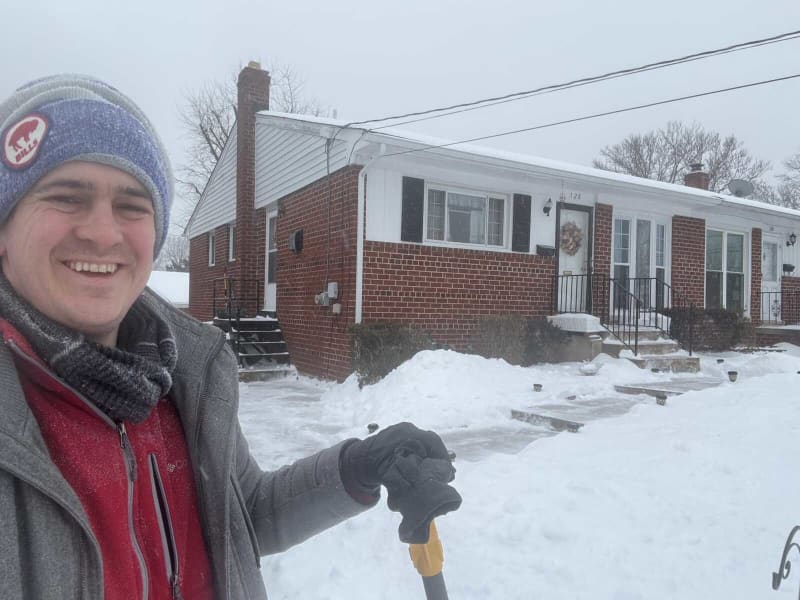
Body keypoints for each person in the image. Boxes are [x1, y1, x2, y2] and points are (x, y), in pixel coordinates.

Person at [0, 75, 461, 600]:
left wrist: (356, 466)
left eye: (132, 205)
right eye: (65, 196)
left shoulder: (184, 377)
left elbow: (244, 516)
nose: (103, 233)